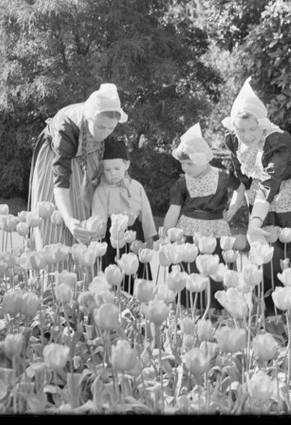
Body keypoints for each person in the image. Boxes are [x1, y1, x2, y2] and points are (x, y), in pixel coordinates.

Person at [221, 77, 291, 311]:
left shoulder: (277, 144)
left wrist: (254, 222)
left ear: (262, 123)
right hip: (264, 194)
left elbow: (269, 183)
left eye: (253, 128)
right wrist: (233, 208)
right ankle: (271, 312)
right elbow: (241, 178)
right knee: (268, 252)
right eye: (241, 129)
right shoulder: (234, 140)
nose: (248, 134)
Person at [28, 83, 127, 249]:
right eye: (100, 127)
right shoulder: (65, 129)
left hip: (89, 156)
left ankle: (84, 268)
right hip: (56, 162)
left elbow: (101, 182)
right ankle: (52, 268)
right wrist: (69, 220)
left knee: (86, 214)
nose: (105, 132)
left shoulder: (104, 128)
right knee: (54, 223)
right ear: (88, 118)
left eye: (111, 127)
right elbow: (60, 179)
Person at [162, 123, 232, 312]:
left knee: (215, 268)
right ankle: (185, 309)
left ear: (203, 159)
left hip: (215, 231)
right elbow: (174, 210)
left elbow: (243, 190)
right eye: (182, 163)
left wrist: (232, 210)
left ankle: (214, 310)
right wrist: (167, 234)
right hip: (188, 231)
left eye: (189, 163)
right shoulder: (182, 183)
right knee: (188, 269)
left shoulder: (223, 178)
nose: (185, 168)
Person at [91, 138, 156, 294]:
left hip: (134, 233)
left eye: (116, 168)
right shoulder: (101, 190)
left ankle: (137, 301)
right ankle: (115, 300)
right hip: (111, 235)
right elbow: (98, 215)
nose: (112, 173)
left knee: (135, 272)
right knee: (114, 272)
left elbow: (146, 214)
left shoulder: (136, 187)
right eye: (107, 170)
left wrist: (149, 237)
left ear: (126, 165)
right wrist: (96, 239)